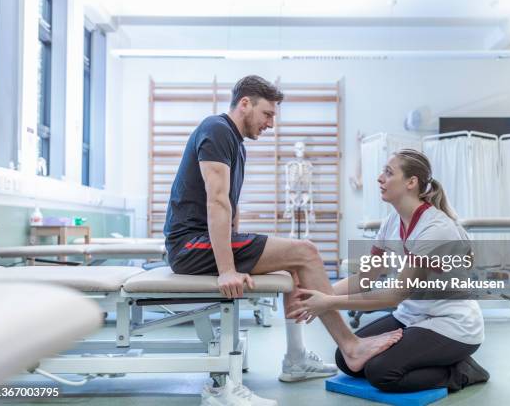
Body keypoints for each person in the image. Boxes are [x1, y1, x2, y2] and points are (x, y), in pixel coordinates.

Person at [164, 76, 400, 404]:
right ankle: (351, 345)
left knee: (294, 266)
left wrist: (240, 252)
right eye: (268, 114)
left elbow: (230, 209)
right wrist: (227, 270)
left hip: (201, 241)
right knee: (305, 251)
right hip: (189, 245)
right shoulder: (217, 129)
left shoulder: (235, 144)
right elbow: (216, 200)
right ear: (244, 103)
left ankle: (296, 358)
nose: (271, 124)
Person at [288, 149, 490, 393]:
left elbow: (395, 295)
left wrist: (328, 302)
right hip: (412, 317)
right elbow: (365, 278)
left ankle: (462, 371)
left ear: (411, 183)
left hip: (452, 324)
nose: (379, 178)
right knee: (347, 359)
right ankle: (429, 357)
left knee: (382, 373)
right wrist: (318, 294)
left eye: (388, 172)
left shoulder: (435, 229)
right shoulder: (391, 222)